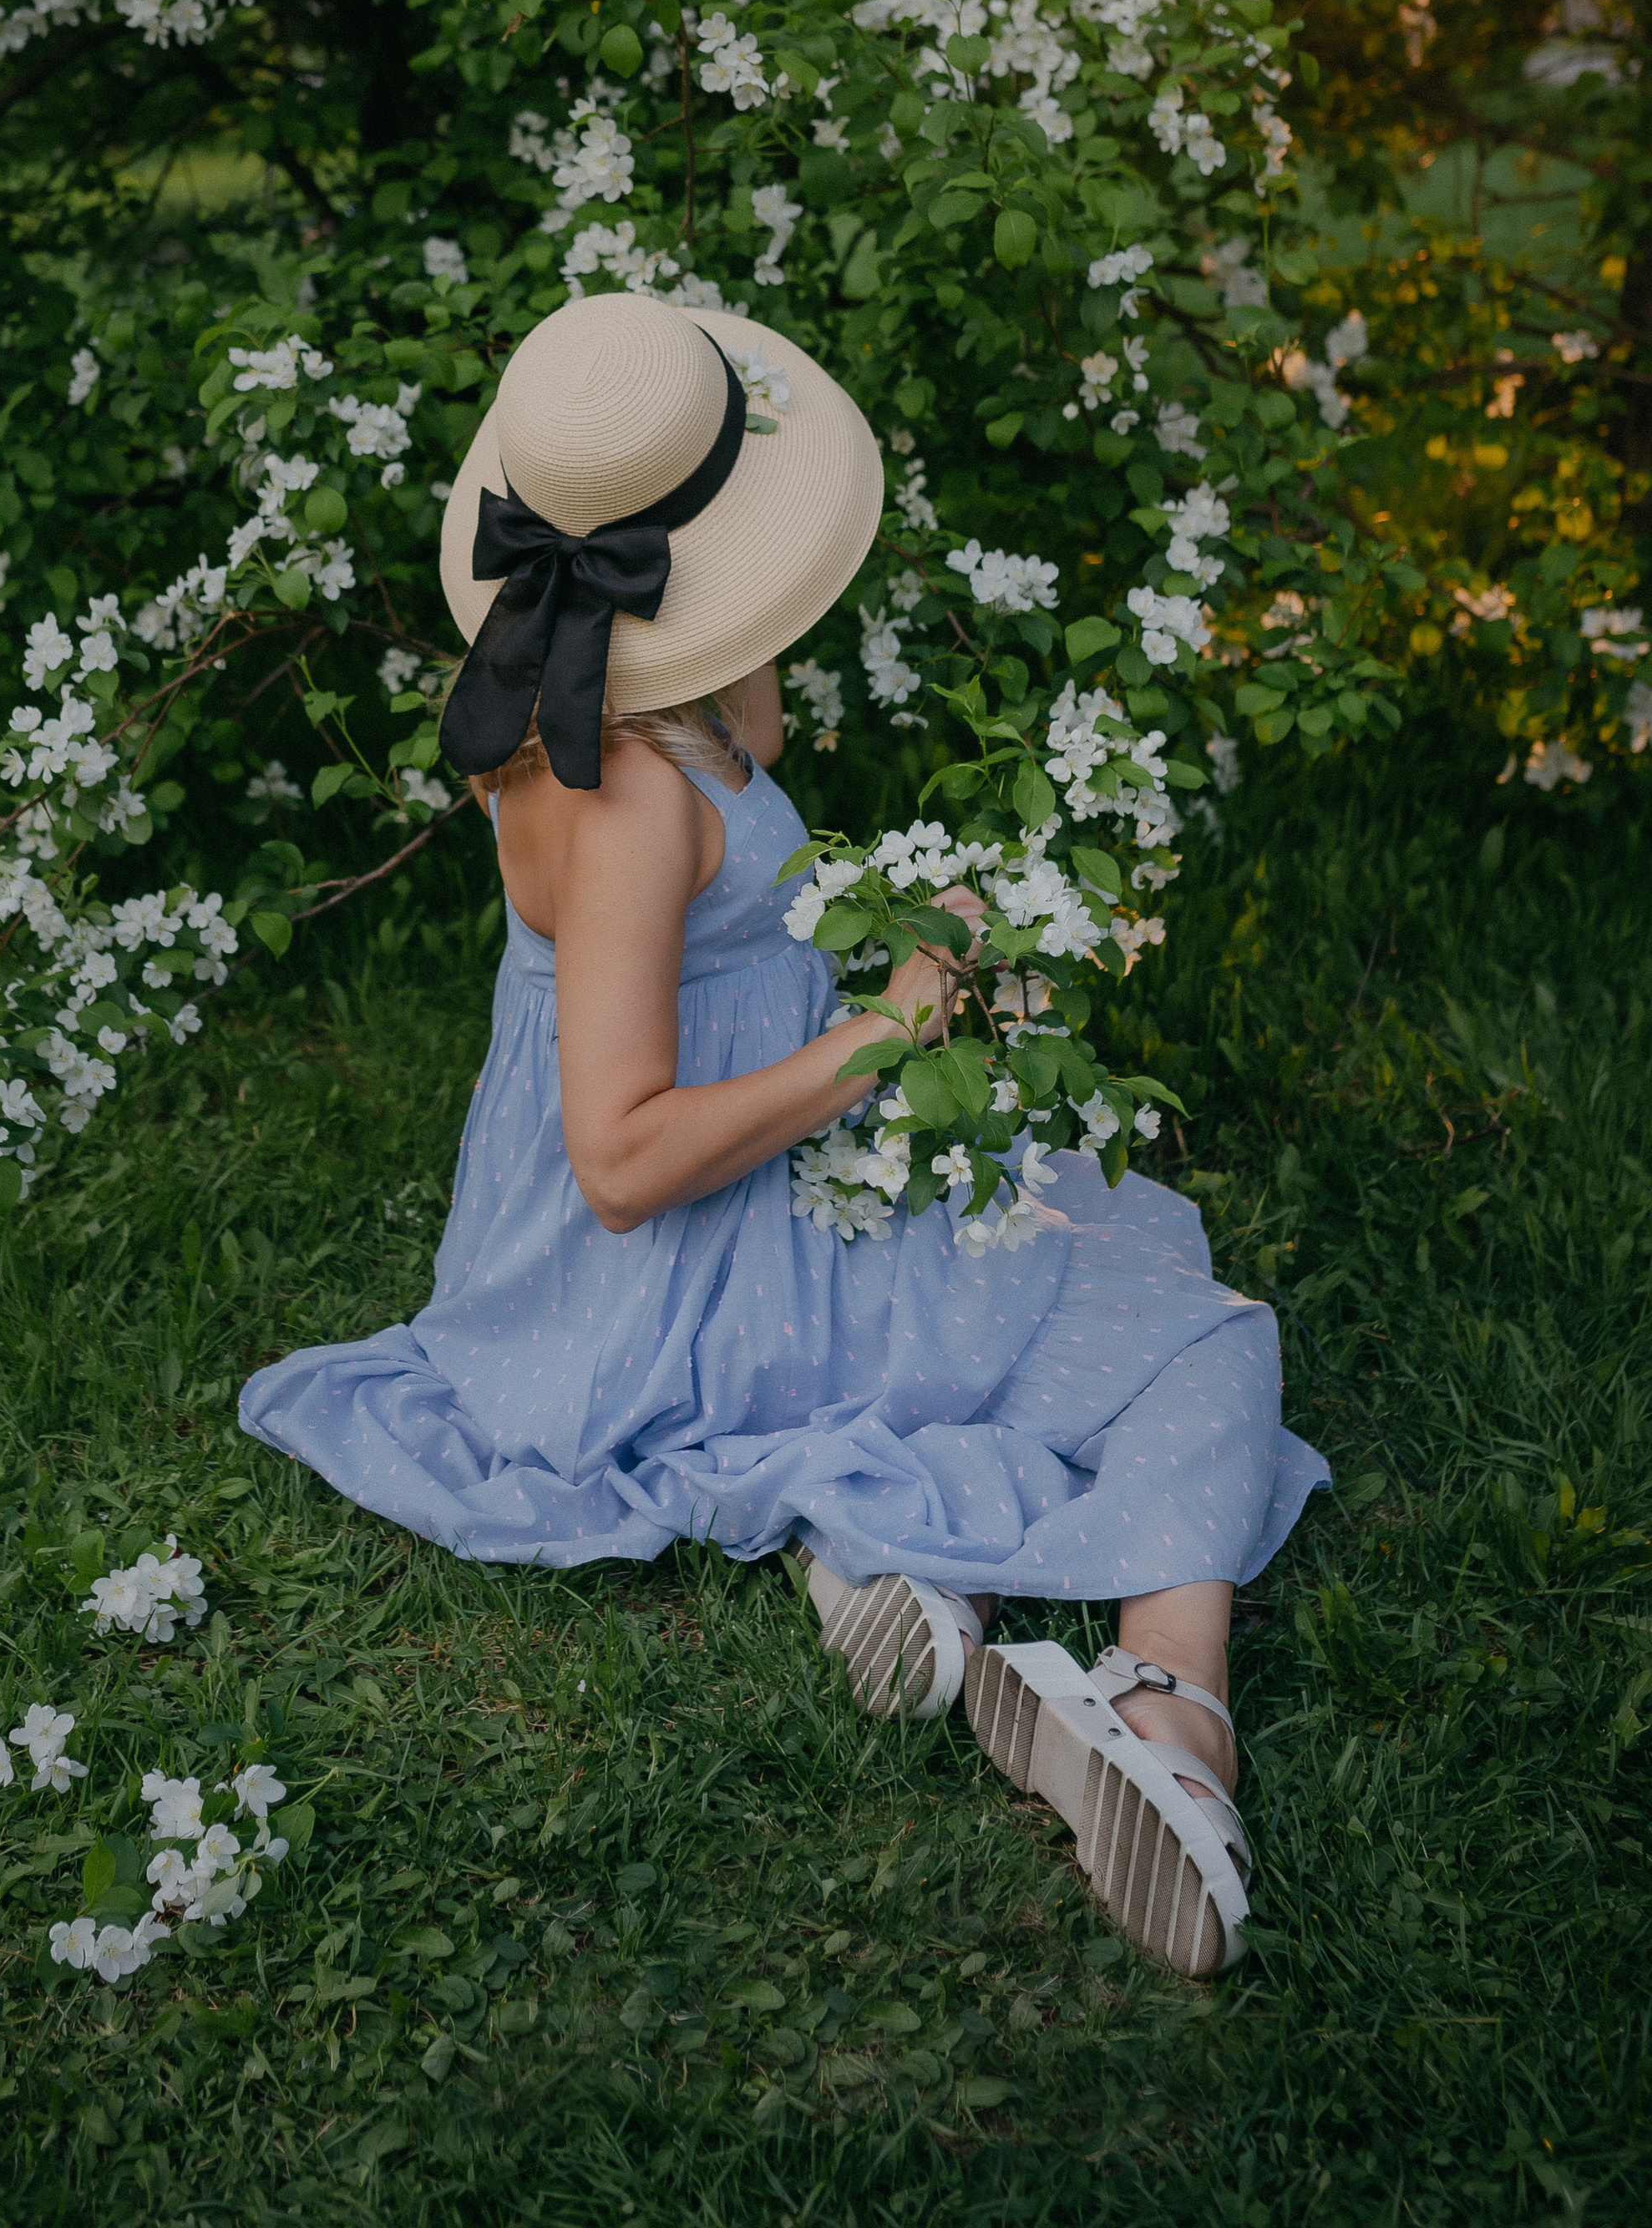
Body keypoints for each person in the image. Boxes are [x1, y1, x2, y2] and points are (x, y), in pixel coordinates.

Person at [240, 294, 1327, 1975]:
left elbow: (725, 912)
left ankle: (900, 1545)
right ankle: (1165, 1714)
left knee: (1097, 1233)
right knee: (1187, 1325)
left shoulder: (614, 688)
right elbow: (616, 1159)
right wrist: (889, 1025)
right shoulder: (625, 791)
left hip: (739, 1207)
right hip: (676, 1270)